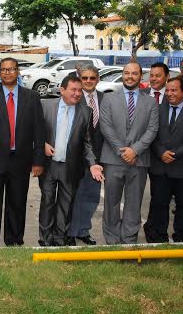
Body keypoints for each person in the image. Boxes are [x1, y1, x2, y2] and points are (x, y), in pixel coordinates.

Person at [0, 58, 45, 246]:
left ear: (18, 72)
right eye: (4, 70)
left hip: (20, 161)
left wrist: (38, 161)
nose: (7, 73)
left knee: (17, 203)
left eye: (11, 69)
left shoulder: (32, 97)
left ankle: (14, 240)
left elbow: (39, 131)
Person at [37, 74, 103, 247]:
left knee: (66, 205)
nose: (77, 94)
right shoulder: (45, 106)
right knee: (47, 202)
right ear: (62, 90)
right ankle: (45, 238)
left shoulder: (85, 111)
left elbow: (87, 142)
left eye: (79, 90)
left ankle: (59, 239)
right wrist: (42, 144)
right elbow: (33, 133)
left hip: (71, 167)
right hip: (49, 165)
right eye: (73, 90)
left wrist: (93, 163)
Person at [99, 61, 159, 244]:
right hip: (113, 159)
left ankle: (129, 240)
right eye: (126, 73)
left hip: (139, 161)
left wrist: (135, 151)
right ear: (122, 74)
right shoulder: (108, 99)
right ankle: (112, 240)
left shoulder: (150, 102)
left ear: (141, 76)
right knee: (111, 202)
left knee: (134, 203)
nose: (130, 77)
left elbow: (152, 129)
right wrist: (123, 151)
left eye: (134, 73)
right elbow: (106, 127)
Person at [143, 77, 183, 243]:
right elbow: (150, 134)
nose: (169, 94)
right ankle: (159, 237)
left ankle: (180, 237)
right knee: (159, 204)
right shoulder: (157, 109)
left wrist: (175, 154)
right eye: (168, 90)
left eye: (174, 90)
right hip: (160, 167)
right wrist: (161, 152)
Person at [67, 65, 105, 246]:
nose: (88, 81)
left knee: (91, 196)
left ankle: (83, 230)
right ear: (79, 79)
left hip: (98, 159)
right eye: (85, 78)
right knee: (72, 196)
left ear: (98, 79)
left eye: (92, 78)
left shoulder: (107, 99)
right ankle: (68, 232)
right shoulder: (74, 99)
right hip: (74, 157)